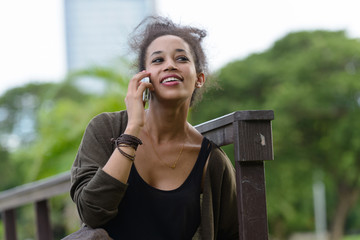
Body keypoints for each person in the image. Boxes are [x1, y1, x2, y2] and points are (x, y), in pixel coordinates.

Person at [70, 16, 238, 239]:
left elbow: (233, 231)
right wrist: (133, 130)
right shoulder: (106, 128)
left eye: (181, 58)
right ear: (143, 77)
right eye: (158, 60)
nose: (170, 65)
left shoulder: (212, 161)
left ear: (199, 78)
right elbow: (92, 213)